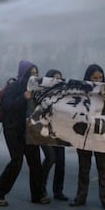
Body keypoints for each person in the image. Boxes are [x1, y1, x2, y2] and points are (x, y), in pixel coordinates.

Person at [0, 60, 51, 206]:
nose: (34, 76)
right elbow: (7, 106)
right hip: (13, 130)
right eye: (31, 73)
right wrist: (23, 98)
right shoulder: (14, 87)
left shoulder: (37, 89)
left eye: (36, 73)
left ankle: (38, 194)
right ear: (24, 74)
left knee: (35, 162)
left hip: (29, 130)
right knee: (16, 162)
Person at [69, 64, 105, 210]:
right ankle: (80, 197)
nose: (98, 80)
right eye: (95, 78)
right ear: (88, 78)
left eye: (101, 77)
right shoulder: (81, 93)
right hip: (84, 135)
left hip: (101, 135)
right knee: (84, 168)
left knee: (104, 168)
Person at [41, 69, 68, 201]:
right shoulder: (42, 94)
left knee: (61, 162)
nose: (58, 81)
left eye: (60, 79)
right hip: (45, 131)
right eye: (55, 78)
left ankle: (58, 191)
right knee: (50, 158)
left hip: (59, 131)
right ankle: (41, 187)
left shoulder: (64, 95)